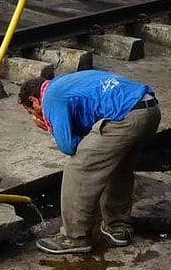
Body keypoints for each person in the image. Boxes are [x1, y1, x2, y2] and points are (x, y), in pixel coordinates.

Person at [18, 69, 161, 254]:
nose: (36, 116)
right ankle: (118, 227)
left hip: (125, 117)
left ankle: (75, 238)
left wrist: (49, 126)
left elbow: (67, 146)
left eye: (33, 111)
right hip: (149, 109)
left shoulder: (51, 97)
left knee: (80, 168)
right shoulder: (65, 83)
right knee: (118, 167)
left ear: (34, 100)